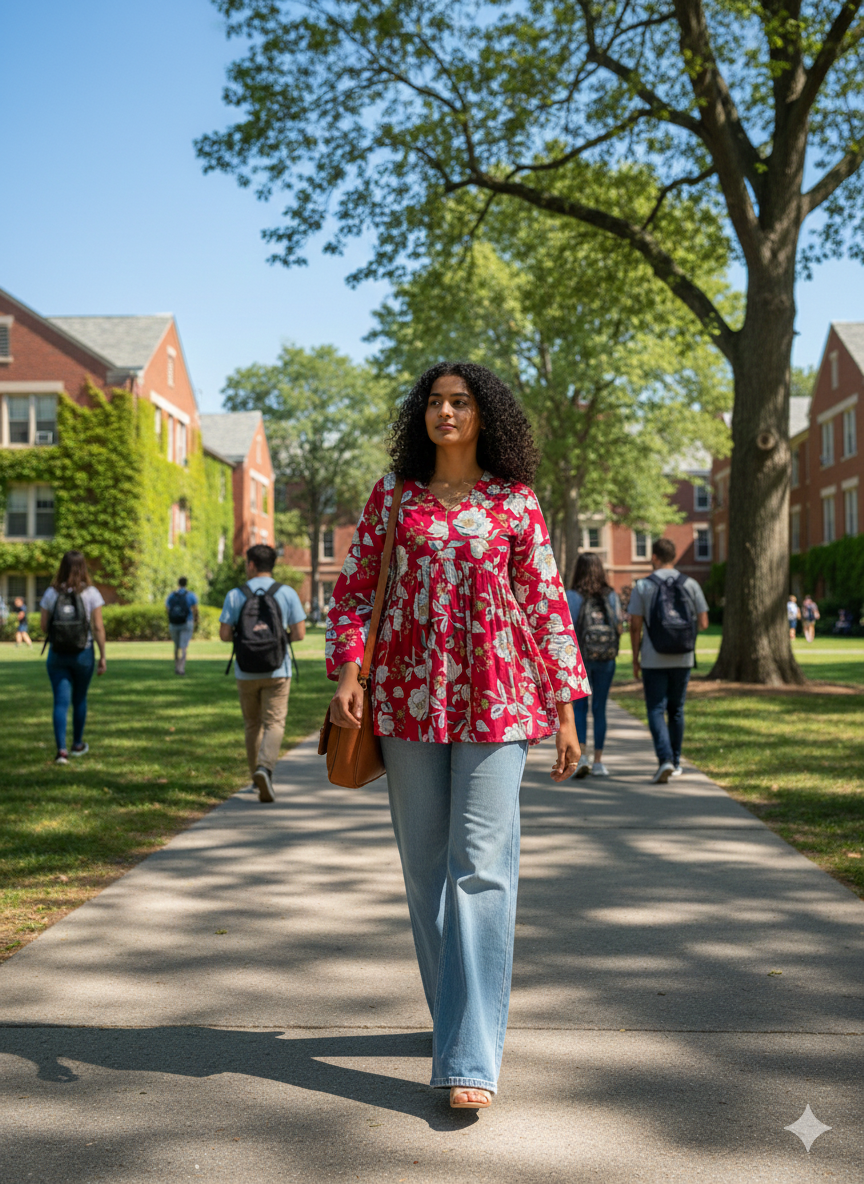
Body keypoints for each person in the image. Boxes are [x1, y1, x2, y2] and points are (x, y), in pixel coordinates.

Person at [326, 362, 589, 1111]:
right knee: (425, 873)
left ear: (485, 415)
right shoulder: (394, 496)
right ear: (423, 415)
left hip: (498, 700)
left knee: (483, 867)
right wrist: (349, 672)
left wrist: (568, 707)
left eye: (461, 402)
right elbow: (352, 588)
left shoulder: (515, 502)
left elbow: (544, 605)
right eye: (437, 402)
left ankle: (470, 1057)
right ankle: (456, 1014)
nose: (447, 412)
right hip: (407, 701)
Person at [219, 544, 306, 802]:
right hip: (278, 668)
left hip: (245, 671)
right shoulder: (286, 593)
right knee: (275, 722)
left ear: (251, 564)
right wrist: (277, 641)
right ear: (273, 565)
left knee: (252, 724)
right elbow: (299, 633)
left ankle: (255, 778)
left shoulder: (236, 595)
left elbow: (224, 635)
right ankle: (264, 767)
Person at [628, 538, 709, 784]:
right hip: (683, 658)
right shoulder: (691, 584)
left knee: (655, 709)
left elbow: (635, 625)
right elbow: (704, 622)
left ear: (654, 557)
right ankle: (675, 761)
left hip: (654, 658)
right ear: (674, 556)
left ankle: (663, 760)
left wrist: (635, 658)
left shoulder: (643, 585)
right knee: (677, 710)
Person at [39, 551, 107, 765]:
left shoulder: (51, 593)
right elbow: (97, 627)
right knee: (79, 699)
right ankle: (77, 744)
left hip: (58, 654)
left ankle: (61, 751)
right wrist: (103, 655)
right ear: (83, 567)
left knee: (60, 702)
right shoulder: (91, 593)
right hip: (83, 653)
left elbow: (43, 627)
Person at [566, 553, 622, 778]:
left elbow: (566, 629)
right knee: (600, 708)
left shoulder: (571, 596)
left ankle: (582, 758)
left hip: (579, 660)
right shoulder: (611, 597)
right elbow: (618, 626)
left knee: (580, 708)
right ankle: (598, 762)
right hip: (606, 659)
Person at [165, 577, 199, 675]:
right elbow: (195, 609)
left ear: (178, 583)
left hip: (174, 623)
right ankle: (181, 668)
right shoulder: (190, 595)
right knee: (184, 647)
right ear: (186, 584)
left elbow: (167, 608)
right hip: (186, 622)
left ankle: (176, 666)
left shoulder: (172, 595)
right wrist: (196, 619)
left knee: (176, 646)